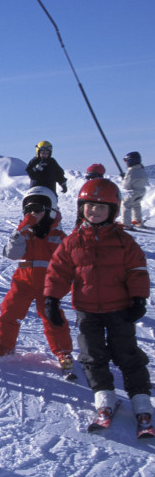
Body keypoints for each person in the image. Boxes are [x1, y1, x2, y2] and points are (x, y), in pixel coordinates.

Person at [43, 178, 152, 432]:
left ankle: (141, 399)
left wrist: (138, 298)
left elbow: (137, 270)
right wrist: (52, 299)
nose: (94, 212)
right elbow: (58, 272)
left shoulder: (124, 241)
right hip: (87, 310)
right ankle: (104, 397)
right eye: (90, 206)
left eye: (101, 208)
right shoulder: (72, 242)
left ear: (112, 211)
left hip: (119, 309)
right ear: (81, 207)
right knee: (92, 355)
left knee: (127, 354)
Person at [0, 187, 74, 373]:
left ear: (50, 211)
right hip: (23, 282)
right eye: (29, 210)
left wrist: (72, 285)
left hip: (49, 285)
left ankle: (63, 351)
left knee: (52, 317)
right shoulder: (25, 233)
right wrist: (20, 231)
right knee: (9, 312)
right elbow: (11, 254)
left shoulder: (58, 236)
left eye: (38, 209)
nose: (33, 214)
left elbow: (70, 262)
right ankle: (3, 346)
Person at [120, 151, 148, 228]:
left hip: (133, 192)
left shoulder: (131, 171)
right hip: (141, 191)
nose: (125, 163)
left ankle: (125, 223)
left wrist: (124, 178)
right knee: (136, 205)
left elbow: (125, 185)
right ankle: (138, 220)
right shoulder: (142, 169)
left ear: (130, 161)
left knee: (126, 205)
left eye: (126, 160)